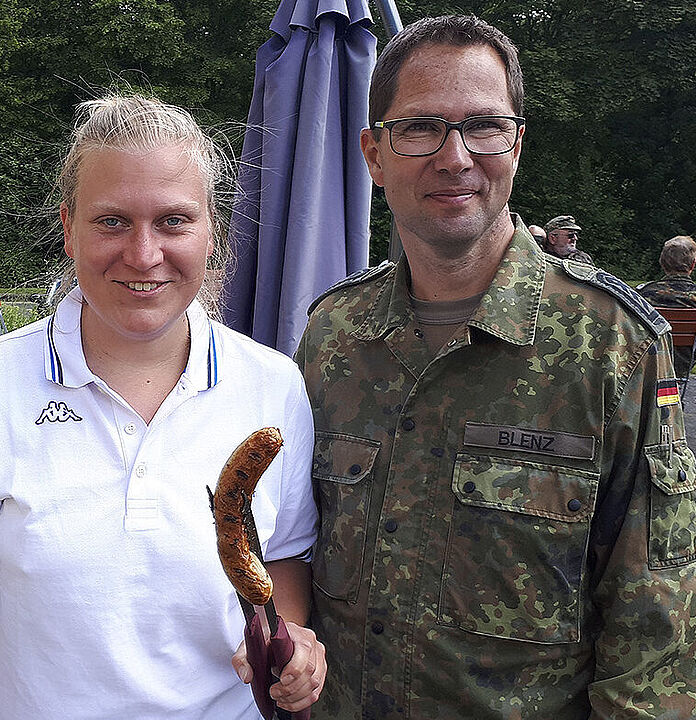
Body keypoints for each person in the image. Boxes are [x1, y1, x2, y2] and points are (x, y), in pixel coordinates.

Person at [296, 15, 696, 719]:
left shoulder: (614, 346)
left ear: (516, 144)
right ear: (374, 154)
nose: (455, 157)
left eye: (483, 125)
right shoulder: (333, 336)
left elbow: (656, 639)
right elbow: (290, 545)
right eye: (420, 127)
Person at [0, 94, 325, 718]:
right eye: (112, 221)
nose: (144, 254)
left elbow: (283, 556)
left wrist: (289, 646)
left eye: (174, 221)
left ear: (212, 231)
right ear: (69, 228)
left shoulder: (274, 385)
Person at [638, 235, 696, 376]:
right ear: (693, 264)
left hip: (650, 364)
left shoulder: (643, 294)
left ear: (662, 263)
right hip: (685, 364)